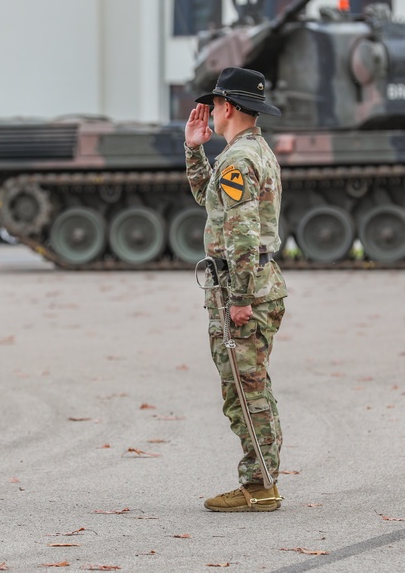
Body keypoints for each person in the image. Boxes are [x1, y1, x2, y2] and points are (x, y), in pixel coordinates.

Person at [184, 66, 288, 512]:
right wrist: (195, 151)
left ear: (227, 106)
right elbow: (213, 201)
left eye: (216, 103)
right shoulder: (249, 151)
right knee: (252, 387)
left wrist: (240, 299)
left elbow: (242, 232)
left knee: (243, 393)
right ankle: (261, 478)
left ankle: (260, 485)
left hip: (243, 288)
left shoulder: (239, 160)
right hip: (256, 283)